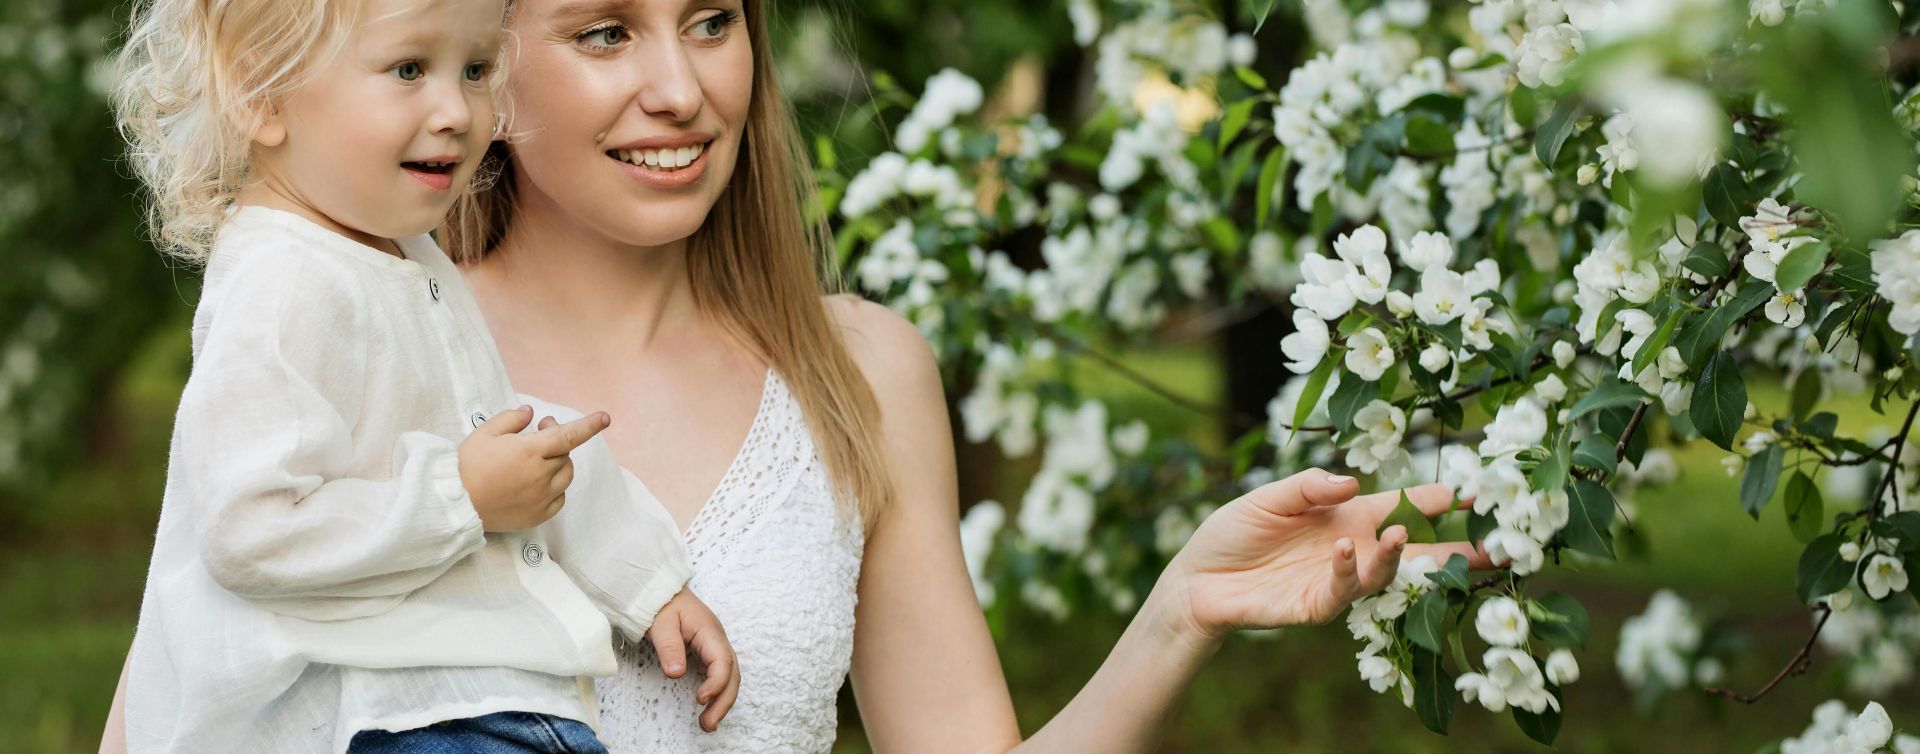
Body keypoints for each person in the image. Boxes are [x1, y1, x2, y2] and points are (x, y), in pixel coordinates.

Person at [438, 0, 1495, 751]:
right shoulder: (363, 341)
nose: (681, 88)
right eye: (606, 32)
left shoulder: (857, 371)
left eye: (713, 21)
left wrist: (1186, 609)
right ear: (481, 62)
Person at [102, 0, 737, 749]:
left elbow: (493, 433)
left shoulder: (393, 257)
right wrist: (459, 497)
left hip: (457, 710)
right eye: (409, 69)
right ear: (260, 97)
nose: (458, 111)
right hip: (381, 716)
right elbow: (251, 530)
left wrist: (644, 580)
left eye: (473, 70)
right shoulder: (283, 283)